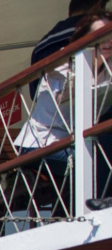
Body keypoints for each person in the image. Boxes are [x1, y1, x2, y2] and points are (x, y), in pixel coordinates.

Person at [17, 12, 112, 211]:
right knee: (97, 153)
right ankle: (77, 212)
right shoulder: (63, 63)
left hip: (76, 141)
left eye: (109, 34)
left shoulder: (108, 69)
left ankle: (89, 206)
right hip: (40, 143)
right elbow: (62, 97)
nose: (106, 41)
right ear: (84, 38)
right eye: (99, 35)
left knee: (101, 146)